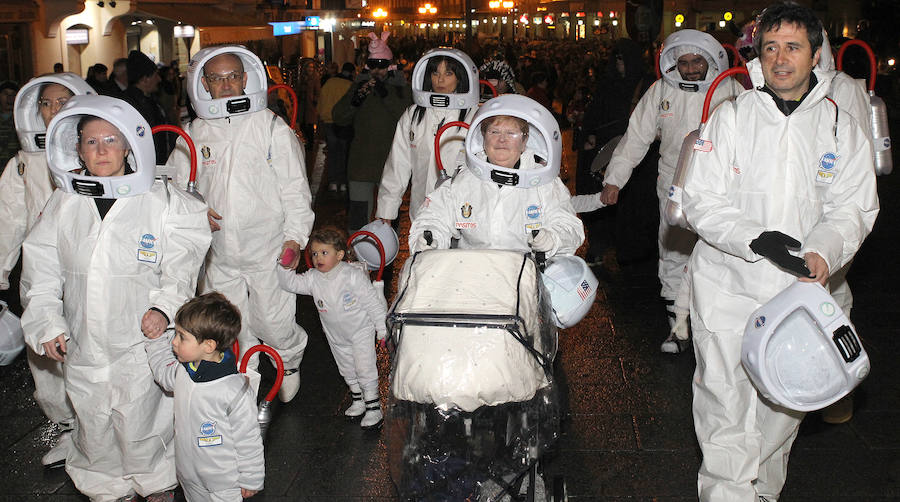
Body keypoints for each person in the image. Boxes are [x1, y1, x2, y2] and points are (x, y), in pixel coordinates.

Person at [680, 3, 879, 500]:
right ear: (759, 56)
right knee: (724, 406)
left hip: (798, 295)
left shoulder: (840, 128)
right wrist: (756, 238)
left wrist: (823, 251)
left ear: (815, 55)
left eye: (793, 47)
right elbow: (699, 198)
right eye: (770, 47)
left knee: (781, 410)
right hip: (727, 288)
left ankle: (762, 493)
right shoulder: (731, 118)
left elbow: (852, 207)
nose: (780, 58)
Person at [21, 95, 211, 502]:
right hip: (82, 336)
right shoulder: (65, 200)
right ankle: (105, 485)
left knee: (143, 414)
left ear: (129, 145)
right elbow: (40, 269)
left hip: (140, 336)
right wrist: (48, 324)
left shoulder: (160, 199)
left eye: (111, 139)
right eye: (91, 142)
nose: (101, 150)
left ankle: (156, 479)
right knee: (92, 417)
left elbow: (182, 261)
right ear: (77, 149)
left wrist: (164, 307)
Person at [168, 46, 314, 403]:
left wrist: (295, 238)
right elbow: (172, 188)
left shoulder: (269, 126)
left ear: (246, 79)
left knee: (273, 320)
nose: (227, 85)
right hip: (218, 252)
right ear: (204, 84)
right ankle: (244, 378)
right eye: (217, 79)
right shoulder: (194, 133)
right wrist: (195, 212)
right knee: (231, 323)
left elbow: (295, 186)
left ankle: (288, 362)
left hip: (268, 246)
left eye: (233, 76)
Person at [598, 29, 744, 353]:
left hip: (720, 191)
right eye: (684, 62)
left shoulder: (729, 89)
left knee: (718, 256)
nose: (690, 69)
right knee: (675, 255)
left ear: (710, 60)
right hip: (674, 186)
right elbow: (636, 136)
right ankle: (678, 329)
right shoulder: (661, 90)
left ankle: (717, 330)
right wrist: (614, 179)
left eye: (697, 62)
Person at [0, 73, 94, 469]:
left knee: (91, 352)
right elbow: (9, 219)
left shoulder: (98, 151)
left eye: (63, 101)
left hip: (90, 270)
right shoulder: (25, 163)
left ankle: (98, 434)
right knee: (46, 353)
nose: (54, 110)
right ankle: (67, 426)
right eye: (47, 104)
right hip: (41, 272)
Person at [409, 94, 583, 256]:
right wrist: (429, 238)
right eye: (494, 132)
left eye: (511, 133)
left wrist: (553, 239)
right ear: (483, 139)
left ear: (524, 142)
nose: (502, 140)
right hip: (470, 275)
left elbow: (568, 225)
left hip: (525, 277)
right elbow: (434, 217)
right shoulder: (463, 180)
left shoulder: (544, 184)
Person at [145, 292, 265, 501]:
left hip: (224, 483)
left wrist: (251, 478)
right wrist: (155, 343)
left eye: (182, 337)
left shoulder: (233, 390)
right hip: (189, 476)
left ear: (208, 345)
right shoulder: (184, 371)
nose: (173, 342)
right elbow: (164, 374)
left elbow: (248, 438)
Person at [276, 227, 387, 429]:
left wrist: (382, 328)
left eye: (324, 253)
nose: (318, 257)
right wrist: (283, 266)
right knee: (346, 367)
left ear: (340, 255)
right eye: (315, 253)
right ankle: (358, 399)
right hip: (336, 336)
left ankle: (374, 407)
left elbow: (372, 302)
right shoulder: (313, 278)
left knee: (364, 367)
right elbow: (290, 284)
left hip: (360, 330)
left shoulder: (352, 276)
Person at [376, 48, 479, 225]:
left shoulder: (474, 116)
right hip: (422, 210)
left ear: (460, 77)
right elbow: (398, 165)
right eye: (435, 72)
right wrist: (387, 209)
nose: (440, 80)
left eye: (448, 73)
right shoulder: (414, 114)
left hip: (464, 213)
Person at [332, 31, 412, 233]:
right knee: (358, 216)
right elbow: (339, 116)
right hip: (362, 163)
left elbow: (407, 117)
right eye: (374, 64)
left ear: (390, 66)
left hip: (391, 163)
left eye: (382, 65)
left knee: (389, 216)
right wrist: (355, 100)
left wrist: (386, 95)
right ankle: (358, 255)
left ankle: (388, 259)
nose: (378, 70)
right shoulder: (359, 86)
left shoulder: (402, 89)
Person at [125, 50, 171, 163]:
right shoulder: (135, 104)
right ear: (145, 79)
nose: (159, 79)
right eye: (155, 75)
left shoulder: (148, 100)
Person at [317, 62, 355, 193]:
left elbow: (321, 101)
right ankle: (344, 182)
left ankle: (333, 181)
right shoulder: (350, 86)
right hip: (344, 123)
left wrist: (322, 117)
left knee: (333, 153)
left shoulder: (330, 83)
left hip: (328, 122)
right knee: (345, 153)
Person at [0, 80, 20, 168]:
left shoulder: (22, 120)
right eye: (5, 93)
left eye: (13, 94)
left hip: (16, 171)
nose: (10, 98)